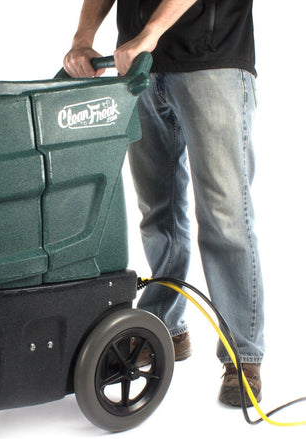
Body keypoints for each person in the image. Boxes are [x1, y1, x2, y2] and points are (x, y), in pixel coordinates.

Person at [63, 0, 264, 407]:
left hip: (211, 59)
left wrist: (151, 32)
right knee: (158, 213)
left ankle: (242, 355)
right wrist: (83, 38)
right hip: (140, 67)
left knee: (225, 217)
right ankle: (164, 327)